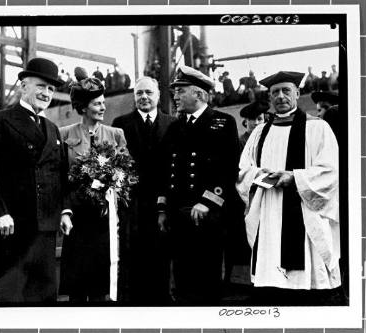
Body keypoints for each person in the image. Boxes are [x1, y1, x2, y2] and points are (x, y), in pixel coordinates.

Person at [236, 71, 343, 306]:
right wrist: (261, 175)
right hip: (268, 208)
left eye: (286, 91)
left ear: (297, 93)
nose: (281, 96)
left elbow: (330, 170)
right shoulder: (259, 132)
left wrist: (294, 178)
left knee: (308, 289)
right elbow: (244, 170)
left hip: (303, 209)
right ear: (270, 98)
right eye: (275, 92)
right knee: (271, 284)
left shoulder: (318, 128)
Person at [0, 57, 72, 303]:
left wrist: (65, 211)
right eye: (41, 86)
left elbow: (60, 175)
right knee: (14, 299)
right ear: (23, 85)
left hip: (47, 230)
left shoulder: (52, 129)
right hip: (13, 228)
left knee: (45, 298)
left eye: (51, 89)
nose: (46, 93)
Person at [157, 65, 240, 304]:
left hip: (206, 214)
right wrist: (162, 209)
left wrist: (207, 202)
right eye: (175, 91)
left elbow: (228, 168)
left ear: (200, 94)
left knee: (207, 281)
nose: (175, 96)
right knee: (182, 281)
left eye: (181, 91)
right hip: (177, 213)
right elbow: (166, 170)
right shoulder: (175, 126)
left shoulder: (223, 122)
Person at [58, 77, 127, 303]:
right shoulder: (64, 134)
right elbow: (58, 178)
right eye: (97, 103)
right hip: (76, 219)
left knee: (99, 287)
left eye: (103, 102)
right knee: (76, 288)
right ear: (83, 107)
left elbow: (126, 173)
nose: (103, 107)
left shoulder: (116, 134)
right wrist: (65, 210)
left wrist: (114, 187)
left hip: (104, 218)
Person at [112, 76, 176, 304]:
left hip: (162, 202)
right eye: (139, 93)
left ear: (158, 96)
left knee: (161, 254)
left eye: (148, 92)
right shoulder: (120, 123)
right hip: (132, 203)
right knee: (131, 255)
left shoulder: (171, 124)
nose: (144, 97)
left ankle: (161, 301)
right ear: (134, 97)